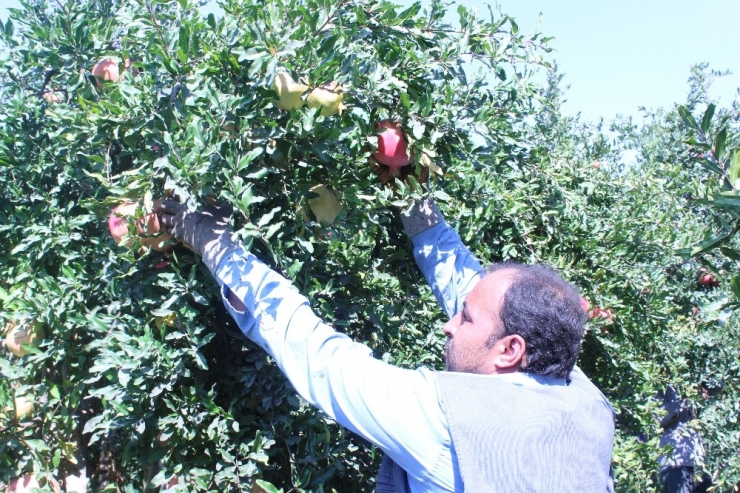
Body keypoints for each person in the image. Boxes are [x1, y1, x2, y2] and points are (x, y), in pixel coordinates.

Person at [154, 180, 615, 492]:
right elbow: (480, 295)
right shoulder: (588, 405)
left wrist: (218, 248)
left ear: (510, 351)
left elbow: (317, 353)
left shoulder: (444, 422)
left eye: (465, 320)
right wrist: (414, 200)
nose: (449, 324)